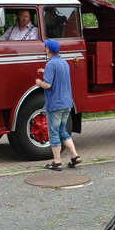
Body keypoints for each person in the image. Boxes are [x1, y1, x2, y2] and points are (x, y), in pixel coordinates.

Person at [35, 39, 82, 171]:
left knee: (54, 133)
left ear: (48, 50)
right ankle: (75, 156)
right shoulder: (64, 63)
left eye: (46, 47)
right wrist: (44, 72)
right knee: (63, 131)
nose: (45, 49)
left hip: (55, 105)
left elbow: (48, 84)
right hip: (67, 103)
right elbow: (58, 76)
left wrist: (39, 82)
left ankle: (57, 162)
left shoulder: (50, 64)